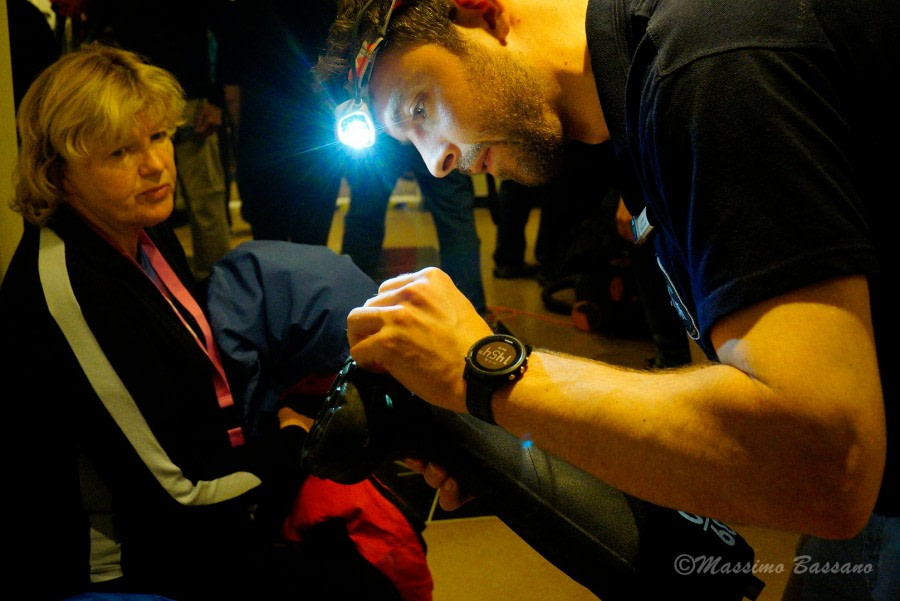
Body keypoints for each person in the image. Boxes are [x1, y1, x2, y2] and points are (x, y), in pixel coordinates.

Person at [316, 1, 898, 599]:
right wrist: (494, 433)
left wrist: (483, 368)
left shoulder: (707, 63)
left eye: (418, 108)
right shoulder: (642, 93)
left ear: (482, 13)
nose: (434, 163)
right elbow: (729, 400)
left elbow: (827, 466)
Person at [0, 43, 419, 601]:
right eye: (119, 151)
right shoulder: (67, 288)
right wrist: (290, 446)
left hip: (203, 516)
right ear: (60, 172)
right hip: (129, 562)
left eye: (157, 137)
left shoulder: (141, 230)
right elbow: (174, 496)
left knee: (380, 548)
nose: (154, 165)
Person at [72, 0, 237, 279]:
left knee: (203, 197)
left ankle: (215, 283)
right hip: (134, 97)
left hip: (185, 95)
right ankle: (162, 280)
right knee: (146, 198)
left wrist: (214, 97)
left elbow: (224, 33)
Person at [226, 0, 346, 246]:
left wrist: (238, 136)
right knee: (312, 237)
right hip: (315, 124)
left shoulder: (247, 9)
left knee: (269, 240)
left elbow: (231, 76)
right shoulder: (325, 8)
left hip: (263, 126)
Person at [343, 136, 488, 315]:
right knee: (455, 224)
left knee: (365, 220)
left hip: (382, 135)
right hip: (433, 129)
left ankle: (349, 309)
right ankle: (470, 314)